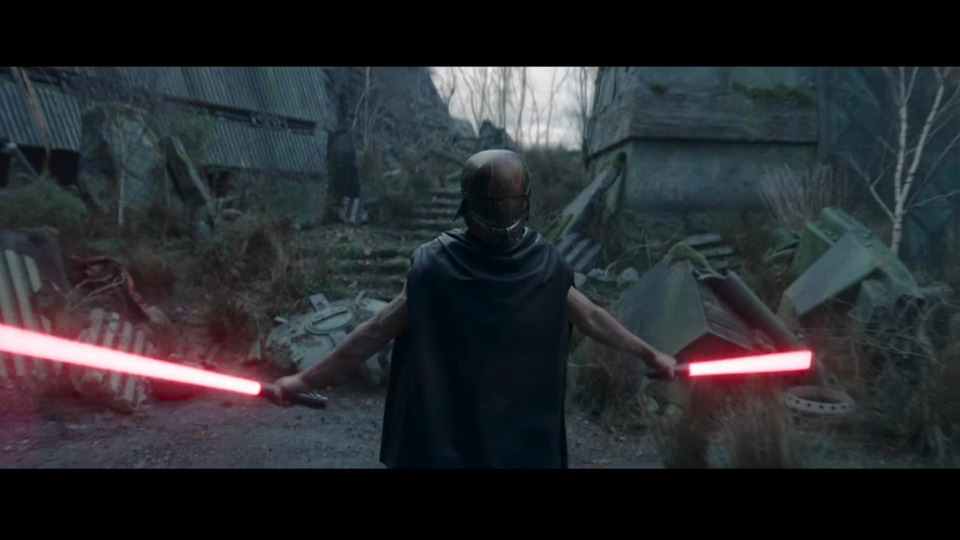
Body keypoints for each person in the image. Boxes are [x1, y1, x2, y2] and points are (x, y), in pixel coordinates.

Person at [273, 149, 676, 468]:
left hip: (448, 447)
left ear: (467, 202)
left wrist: (305, 379)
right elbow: (591, 318)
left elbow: (377, 330)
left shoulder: (437, 267)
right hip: (519, 447)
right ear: (524, 202)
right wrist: (650, 354)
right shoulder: (543, 266)